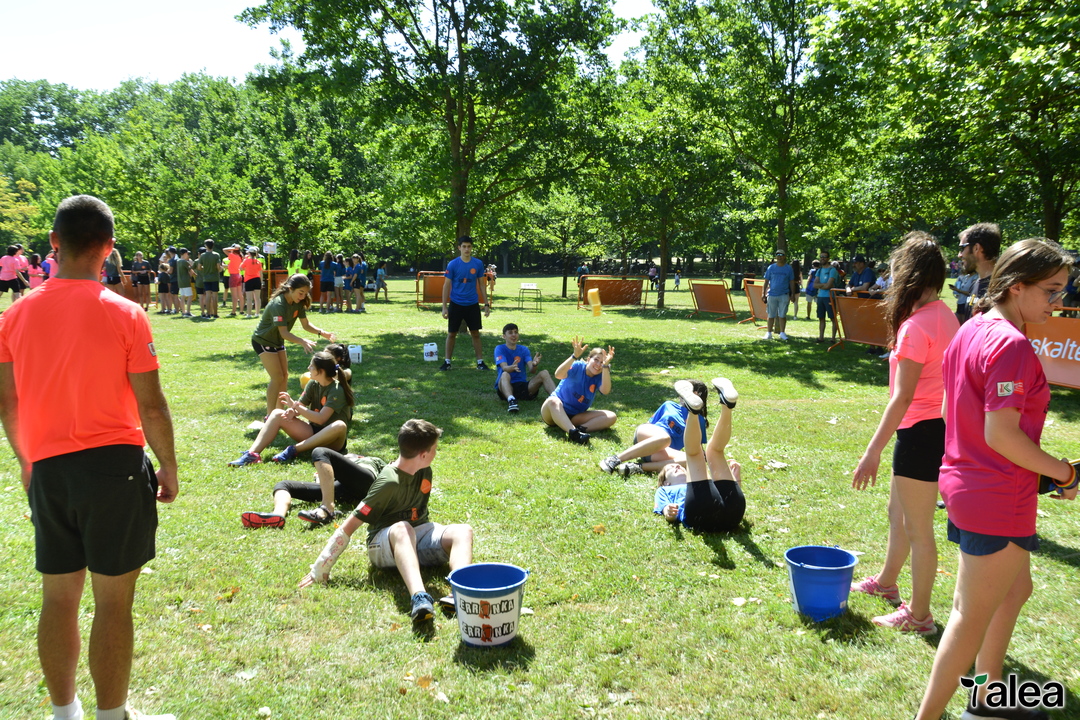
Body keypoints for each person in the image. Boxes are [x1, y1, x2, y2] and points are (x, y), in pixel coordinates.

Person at [0, 195, 178, 720]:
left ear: (53, 242)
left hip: (49, 470)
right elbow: (151, 403)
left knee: (58, 599)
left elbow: (8, 403)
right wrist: (168, 465)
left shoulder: (14, 315)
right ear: (109, 248)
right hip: (114, 470)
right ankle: (111, 715)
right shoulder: (125, 312)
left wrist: (28, 463)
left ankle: (65, 713)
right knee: (113, 603)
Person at [915, 238, 1077, 720]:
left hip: (970, 483)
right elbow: (1002, 434)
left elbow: (955, 410)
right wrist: (1065, 472)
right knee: (969, 617)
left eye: (1063, 290)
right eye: (1051, 290)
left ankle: (988, 698)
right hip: (995, 494)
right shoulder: (1010, 343)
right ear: (1016, 286)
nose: (1059, 300)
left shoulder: (974, 327)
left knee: (1015, 589)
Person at [849, 232, 959, 635]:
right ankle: (886, 582)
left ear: (907, 273)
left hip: (921, 433)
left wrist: (872, 450)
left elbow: (902, 397)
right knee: (898, 514)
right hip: (931, 429)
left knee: (918, 529)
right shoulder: (945, 315)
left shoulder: (916, 326)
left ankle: (920, 615)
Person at [298, 419, 475, 624]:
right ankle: (419, 597)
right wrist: (321, 567)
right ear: (423, 455)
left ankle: (460, 593)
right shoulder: (388, 482)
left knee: (463, 531)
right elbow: (349, 526)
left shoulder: (425, 470)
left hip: (416, 536)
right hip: (383, 545)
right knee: (402, 528)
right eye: (435, 449)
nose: (436, 453)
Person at [228, 350, 353, 466]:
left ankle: (293, 450)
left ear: (321, 371)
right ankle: (252, 454)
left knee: (340, 425)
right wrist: (292, 411)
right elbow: (300, 407)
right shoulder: (313, 384)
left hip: (332, 442)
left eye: (311, 366)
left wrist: (295, 406)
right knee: (277, 413)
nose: (308, 368)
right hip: (313, 432)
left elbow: (321, 419)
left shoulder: (336, 390)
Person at [653, 379, 744, 533]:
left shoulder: (700, 483)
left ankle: (725, 405)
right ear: (666, 483)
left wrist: (734, 481)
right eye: (671, 469)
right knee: (701, 453)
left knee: (711, 452)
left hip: (727, 513)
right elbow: (663, 507)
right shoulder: (665, 490)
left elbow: (724, 493)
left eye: (677, 466)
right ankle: (702, 410)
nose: (677, 466)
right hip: (727, 513)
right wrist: (668, 512)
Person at [249, 273, 336, 418]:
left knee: (284, 376)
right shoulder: (278, 304)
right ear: (290, 288)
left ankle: (279, 413)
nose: (303, 296)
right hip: (263, 341)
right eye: (300, 292)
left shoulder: (298, 302)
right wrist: (302, 341)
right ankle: (269, 416)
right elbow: (284, 333)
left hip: (277, 341)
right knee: (277, 377)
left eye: (305, 293)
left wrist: (322, 333)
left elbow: (306, 325)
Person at [241, 448, 382, 529]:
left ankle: (328, 508)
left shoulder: (371, 461)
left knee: (320, 452)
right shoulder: (333, 473)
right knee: (284, 485)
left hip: (366, 483)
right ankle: (277, 515)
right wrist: (321, 478)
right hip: (341, 490)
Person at [599, 380, 709, 477]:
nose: (680, 395)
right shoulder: (669, 405)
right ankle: (614, 459)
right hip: (647, 437)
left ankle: (637, 467)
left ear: (695, 394)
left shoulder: (699, 420)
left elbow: (696, 448)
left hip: (661, 453)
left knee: (694, 460)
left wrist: (703, 457)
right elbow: (649, 424)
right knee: (665, 438)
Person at [540, 336, 616, 445]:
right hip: (553, 411)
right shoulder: (578, 366)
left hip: (575, 416)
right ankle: (574, 434)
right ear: (588, 359)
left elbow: (605, 391)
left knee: (611, 416)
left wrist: (605, 367)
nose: (598, 365)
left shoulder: (601, 375)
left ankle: (580, 430)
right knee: (553, 401)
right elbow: (558, 375)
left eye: (602, 362)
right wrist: (574, 356)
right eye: (596, 360)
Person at [439, 237, 490, 371]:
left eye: (469, 246)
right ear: (459, 248)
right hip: (456, 303)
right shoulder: (453, 264)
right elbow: (446, 286)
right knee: (451, 333)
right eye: (464, 246)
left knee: (475, 333)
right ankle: (447, 362)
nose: (467, 249)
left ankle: (480, 362)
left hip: (472, 304)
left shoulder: (478, 264)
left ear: (471, 248)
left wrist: (486, 304)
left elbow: (482, 285)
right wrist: (444, 307)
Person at [493, 323, 555, 413]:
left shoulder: (524, 349)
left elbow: (532, 370)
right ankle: (511, 400)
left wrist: (534, 365)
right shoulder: (500, 348)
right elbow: (505, 368)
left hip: (522, 387)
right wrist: (512, 367)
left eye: (516, 332)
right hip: (505, 387)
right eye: (510, 333)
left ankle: (557, 398)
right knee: (505, 374)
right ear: (504, 336)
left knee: (544, 373)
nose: (514, 335)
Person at [958, 222, 1001, 301]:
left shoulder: (1001, 289)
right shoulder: (974, 285)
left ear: (976, 248)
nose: (959, 255)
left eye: (962, 248)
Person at [762, 249, 796, 340]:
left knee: (782, 315)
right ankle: (769, 333)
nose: (779, 256)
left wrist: (792, 294)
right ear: (776, 256)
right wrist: (763, 293)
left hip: (784, 294)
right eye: (778, 255)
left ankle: (782, 333)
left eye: (781, 255)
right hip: (772, 294)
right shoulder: (771, 267)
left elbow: (791, 282)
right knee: (771, 315)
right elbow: (766, 281)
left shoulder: (788, 268)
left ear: (784, 257)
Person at [814, 250, 840, 343]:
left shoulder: (832, 270)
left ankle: (833, 338)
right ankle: (821, 337)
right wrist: (823, 285)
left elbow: (828, 285)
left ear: (828, 258)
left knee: (833, 318)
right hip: (820, 297)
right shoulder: (819, 270)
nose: (822, 258)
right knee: (821, 317)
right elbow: (814, 285)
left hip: (830, 297)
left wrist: (821, 285)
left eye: (824, 257)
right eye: (821, 256)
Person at [196, 239, 223, 319]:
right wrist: (220, 269)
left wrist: (205, 269)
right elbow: (218, 267)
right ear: (213, 245)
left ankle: (208, 314)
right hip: (215, 278)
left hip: (206, 278)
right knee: (215, 296)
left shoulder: (203, 255)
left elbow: (199, 267)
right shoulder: (216, 255)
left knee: (208, 296)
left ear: (206, 246)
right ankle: (215, 314)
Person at [240, 246, 263, 318]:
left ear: (249, 253)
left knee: (249, 298)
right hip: (257, 280)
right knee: (257, 298)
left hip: (248, 280)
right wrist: (261, 282)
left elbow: (240, 268)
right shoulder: (258, 261)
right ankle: (257, 313)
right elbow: (260, 273)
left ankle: (249, 314)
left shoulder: (246, 261)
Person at [175, 248, 194, 317]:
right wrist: (191, 264)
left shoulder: (178, 261)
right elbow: (191, 270)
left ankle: (183, 311)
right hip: (186, 281)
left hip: (180, 281)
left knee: (182, 296)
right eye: (187, 254)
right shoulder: (184, 262)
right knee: (190, 296)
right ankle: (188, 312)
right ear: (185, 253)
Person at [225, 244, 243, 316]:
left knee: (234, 296)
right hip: (239, 275)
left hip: (233, 276)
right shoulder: (240, 256)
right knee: (240, 294)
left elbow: (224, 249)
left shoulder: (232, 256)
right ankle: (241, 311)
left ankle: (233, 312)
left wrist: (232, 248)